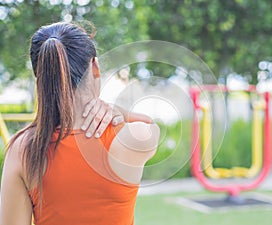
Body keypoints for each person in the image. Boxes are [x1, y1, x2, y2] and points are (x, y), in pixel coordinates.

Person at [0, 22, 160, 225]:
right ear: (95, 66)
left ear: (40, 76)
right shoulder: (131, 138)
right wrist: (117, 111)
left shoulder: (22, 150)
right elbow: (151, 125)